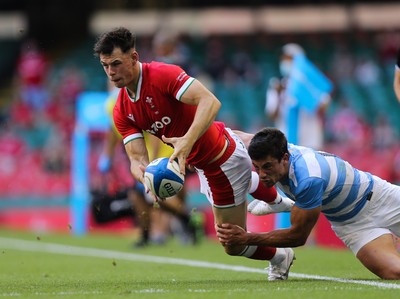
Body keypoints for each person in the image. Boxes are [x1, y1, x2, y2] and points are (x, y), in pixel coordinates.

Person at [93, 27, 294, 281]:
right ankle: (273, 199)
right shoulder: (121, 109)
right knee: (234, 212)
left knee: (232, 243)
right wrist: (144, 176)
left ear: (134, 57)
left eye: (116, 64)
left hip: (222, 162)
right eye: (105, 66)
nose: (111, 72)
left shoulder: (163, 74)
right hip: (205, 163)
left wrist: (187, 142)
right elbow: (136, 159)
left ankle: (280, 255)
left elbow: (210, 101)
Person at [216, 127, 400, 280]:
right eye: (257, 167)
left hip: (381, 198)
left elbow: (297, 237)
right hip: (350, 224)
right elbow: (224, 133)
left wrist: (247, 238)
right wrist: (189, 147)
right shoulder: (266, 148)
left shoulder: (308, 179)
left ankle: (282, 204)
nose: (262, 174)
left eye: (267, 167)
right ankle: (282, 203)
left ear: (285, 158)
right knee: (394, 273)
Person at [98, 85, 197, 247]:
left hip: (160, 155)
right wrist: (107, 156)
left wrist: (154, 161)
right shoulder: (111, 104)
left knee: (156, 196)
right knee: (137, 195)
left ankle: (185, 220)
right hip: (141, 158)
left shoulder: (135, 101)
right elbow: (113, 130)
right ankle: (148, 234)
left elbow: (153, 131)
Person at [268, 43, 331, 150]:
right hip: (286, 141)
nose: (285, 62)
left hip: (310, 140)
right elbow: (272, 115)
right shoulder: (276, 84)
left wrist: (307, 93)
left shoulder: (311, 82)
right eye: (283, 59)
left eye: (289, 59)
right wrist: (279, 95)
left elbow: (323, 106)